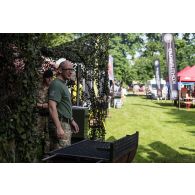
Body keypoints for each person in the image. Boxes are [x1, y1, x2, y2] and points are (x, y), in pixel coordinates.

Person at [48, 60, 79, 150]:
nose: (71, 72)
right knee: (60, 156)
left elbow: (63, 106)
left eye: (72, 70)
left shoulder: (62, 84)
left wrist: (71, 120)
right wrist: (58, 127)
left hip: (65, 123)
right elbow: (51, 106)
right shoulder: (56, 84)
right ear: (60, 70)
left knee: (64, 154)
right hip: (60, 124)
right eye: (68, 69)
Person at [36, 69, 53, 158]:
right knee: (36, 134)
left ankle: (46, 155)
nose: (49, 80)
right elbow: (32, 102)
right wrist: (42, 105)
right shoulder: (38, 87)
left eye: (51, 78)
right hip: (39, 115)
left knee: (48, 136)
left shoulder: (53, 87)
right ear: (44, 78)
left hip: (49, 115)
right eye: (47, 78)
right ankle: (33, 154)